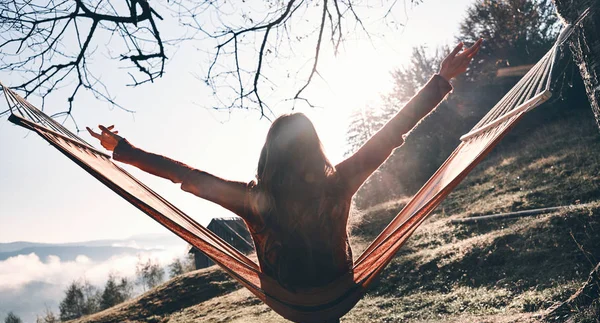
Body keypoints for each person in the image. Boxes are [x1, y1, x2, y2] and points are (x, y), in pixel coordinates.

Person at [88, 39, 482, 291]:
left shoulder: (255, 200)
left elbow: (186, 175)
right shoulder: (339, 182)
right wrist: (441, 78)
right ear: (314, 151)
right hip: (337, 285)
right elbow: (391, 133)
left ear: (268, 154)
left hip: (290, 293)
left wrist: (123, 148)